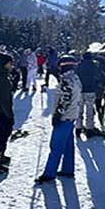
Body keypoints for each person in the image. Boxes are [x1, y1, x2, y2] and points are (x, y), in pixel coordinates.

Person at [35, 55, 82, 183]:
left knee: (56, 145)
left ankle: (49, 173)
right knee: (67, 144)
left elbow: (64, 100)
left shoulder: (67, 81)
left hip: (65, 117)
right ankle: (68, 169)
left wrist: (57, 116)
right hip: (71, 115)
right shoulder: (75, 78)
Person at [76, 52, 103, 137]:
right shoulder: (94, 66)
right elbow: (99, 76)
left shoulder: (78, 66)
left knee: (79, 111)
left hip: (80, 90)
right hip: (90, 90)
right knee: (90, 110)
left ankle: (78, 128)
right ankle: (89, 129)